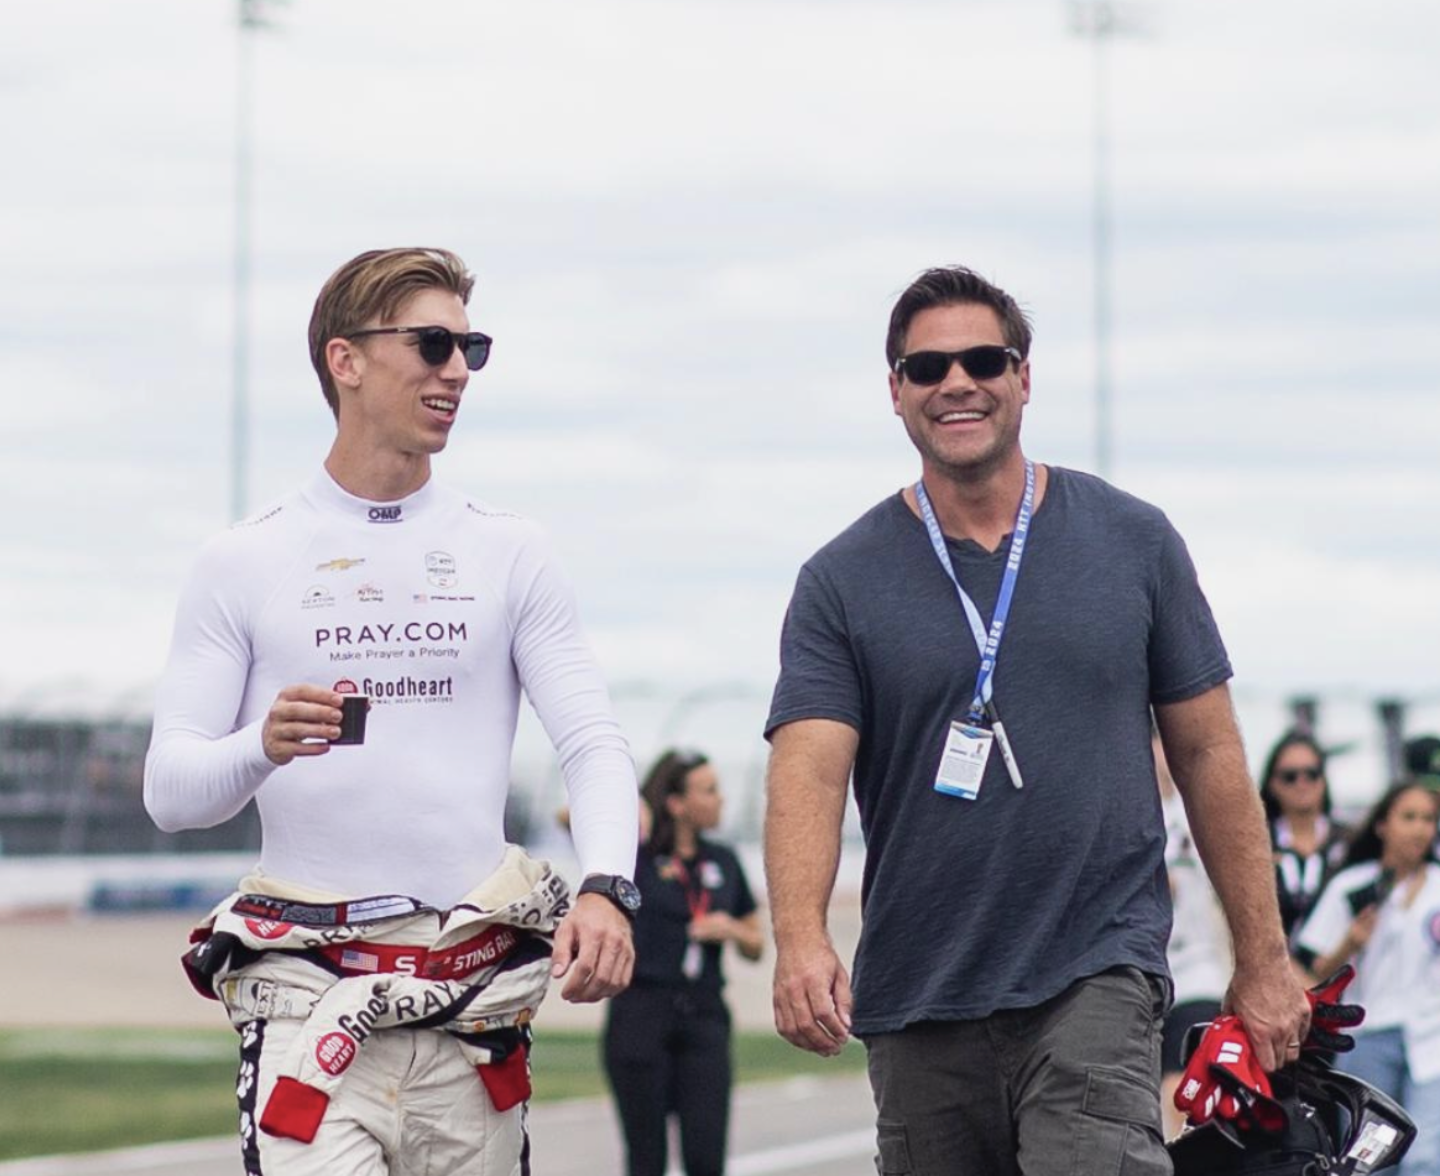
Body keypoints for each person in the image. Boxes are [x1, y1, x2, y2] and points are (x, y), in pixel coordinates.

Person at [762, 265, 1309, 1176]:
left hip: (1095, 964)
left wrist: (1263, 956)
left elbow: (1209, 752)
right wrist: (801, 939)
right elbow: (809, 772)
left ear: (1023, 377)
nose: (957, 383)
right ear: (895, 391)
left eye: (984, 359)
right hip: (919, 990)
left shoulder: (1133, 541)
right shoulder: (840, 580)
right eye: (928, 367)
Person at [143, 247, 641, 1176]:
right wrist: (261, 744)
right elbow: (171, 793)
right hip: (307, 1006)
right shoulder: (242, 559)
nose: (456, 369)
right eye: (433, 342)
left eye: (471, 347)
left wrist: (609, 885)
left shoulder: (509, 549)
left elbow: (593, 740)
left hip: (471, 1007)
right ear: (346, 360)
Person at [603, 749, 763, 1176]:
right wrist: (626, 811)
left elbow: (756, 944)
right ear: (676, 803)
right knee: (646, 1159)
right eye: (709, 791)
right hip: (641, 1012)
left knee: (706, 1158)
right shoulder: (631, 857)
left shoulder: (724, 861)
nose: (721, 800)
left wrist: (729, 928)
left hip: (704, 1016)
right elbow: (567, 819)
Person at [1293, 782, 1440, 1176]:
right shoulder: (1352, 886)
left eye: (1428, 819)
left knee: (1427, 1158)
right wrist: (1350, 942)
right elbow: (1310, 972)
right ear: (1382, 825)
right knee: (1368, 1160)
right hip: (1368, 1035)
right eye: (1408, 817)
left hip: (1431, 1039)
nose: (1419, 829)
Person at [1154, 729, 1231, 1140]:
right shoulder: (1122, 813)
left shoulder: (1200, 814)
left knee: (1185, 1081)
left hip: (1199, 970)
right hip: (1144, 972)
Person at [1257, 730, 1350, 944]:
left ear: (1324, 779)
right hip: (1275, 965)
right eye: (1290, 776)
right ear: (1272, 783)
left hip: (1343, 966)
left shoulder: (1351, 840)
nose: (1302, 783)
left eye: (1312, 774)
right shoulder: (1256, 844)